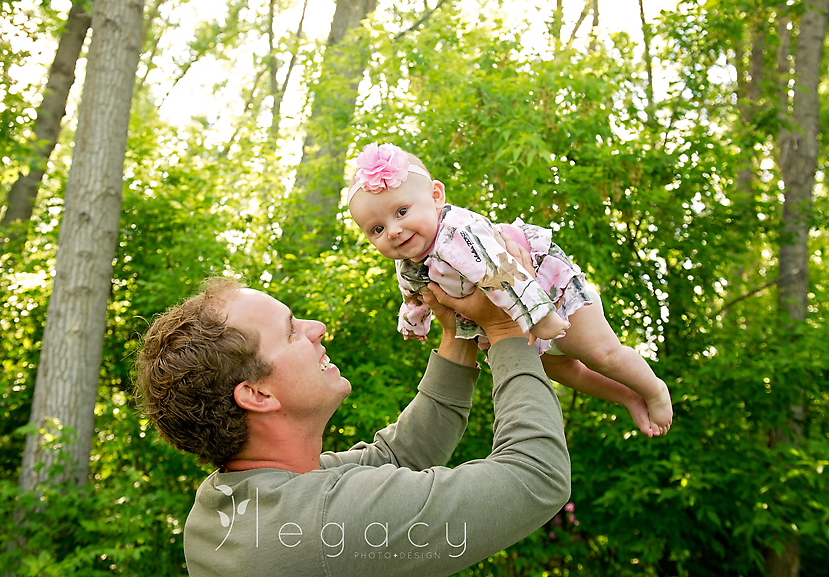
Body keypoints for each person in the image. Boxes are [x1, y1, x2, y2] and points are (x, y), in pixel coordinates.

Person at [134, 270, 571, 577]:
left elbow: (398, 458)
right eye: (291, 332)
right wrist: (507, 331)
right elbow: (535, 477)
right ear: (258, 395)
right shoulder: (319, 528)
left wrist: (457, 334)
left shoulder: (226, 502)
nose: (316, 328)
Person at [346, 142, 673, 437]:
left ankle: (655, 390)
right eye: (377, 229)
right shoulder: (408, 260)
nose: (393, 231)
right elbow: (413, 294)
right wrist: (414, 321)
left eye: (402, 212)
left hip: (542, 289)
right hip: (513, 314)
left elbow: (499, 274)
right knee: (564, 370)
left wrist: (540, 317)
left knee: (599, 352)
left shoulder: (459, 231)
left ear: (436, 197)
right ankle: (628, 396)